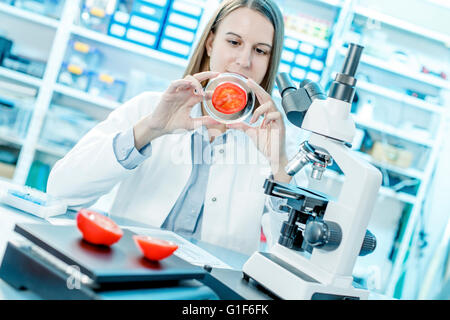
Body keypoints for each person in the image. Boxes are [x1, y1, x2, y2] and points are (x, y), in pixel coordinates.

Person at [47, 0, 306, 255]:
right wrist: (150, 129)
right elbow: (61, 191)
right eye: (234, 42)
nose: (244, 60)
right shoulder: (148, 109)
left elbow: (294, 255)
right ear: (211, 43)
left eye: (260, 51)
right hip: (126, 268)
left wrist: (280, 167)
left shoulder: (281, 145)